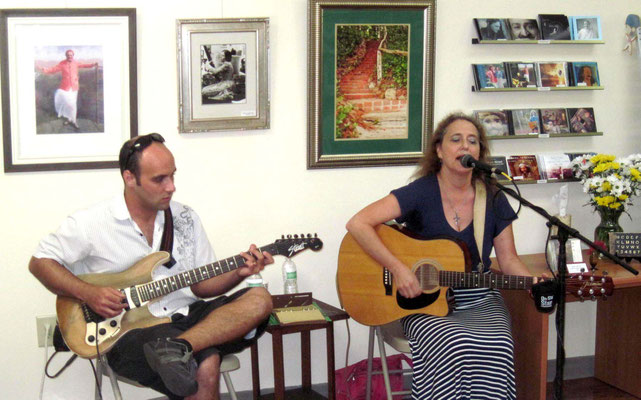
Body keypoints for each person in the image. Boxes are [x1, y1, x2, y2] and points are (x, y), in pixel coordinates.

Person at [29, 133, 273, 399]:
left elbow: (201, 287)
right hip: (129, 331)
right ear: (129, 178)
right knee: (204, 364)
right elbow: (40, 262)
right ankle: (179, 352)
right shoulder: (92, 223)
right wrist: (89, 294)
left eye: (172, 176)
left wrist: (239, 272)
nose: (171, 187)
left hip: (185, 315)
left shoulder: (185, 218)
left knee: (259, 299)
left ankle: (178, 348)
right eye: (159, 179)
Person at [346, 112, 536, 399]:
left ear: (479, 153)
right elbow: (358, 223)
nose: (465, 147)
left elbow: (508, 260)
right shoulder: (421, 192)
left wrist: (535, 282)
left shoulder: (494, 197)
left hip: (480, 296)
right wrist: (398, 269)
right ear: (439, 150)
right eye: (456, 140)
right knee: (451, 340)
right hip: (423, 301)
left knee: (499, 342)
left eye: (472, 141)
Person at [36, 49, 97, 130]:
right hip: (65, 87)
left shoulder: (76, 63)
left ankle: (73, 121)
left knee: (73, 104)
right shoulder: (62, 63)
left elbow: (85, 65)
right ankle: (69, 118)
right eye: (68, 55)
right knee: (67, 103)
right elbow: (53, 69)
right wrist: (44, 69)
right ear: (66, 56)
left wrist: (93, 64)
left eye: (71, 55)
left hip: (74, 87)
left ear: (73, 55)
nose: (70, 56)